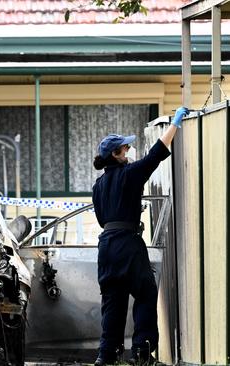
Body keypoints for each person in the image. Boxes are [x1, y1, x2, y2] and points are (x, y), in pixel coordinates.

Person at [92, 106, 188, 366]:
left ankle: (106, 355)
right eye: (125, 148)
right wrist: (175, 123)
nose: (129, 151)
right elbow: (156, 154)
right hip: (128, 243)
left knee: (113, 301)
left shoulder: (98, 185)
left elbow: (102, 219)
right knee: (145, 293)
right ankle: (142, 354)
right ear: (116, 154)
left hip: (106, 246)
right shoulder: (130, 174)